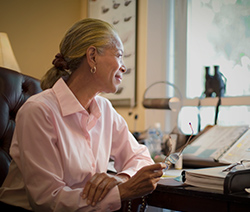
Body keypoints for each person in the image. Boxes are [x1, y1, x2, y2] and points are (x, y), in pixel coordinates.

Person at [0, 18, 166, 211]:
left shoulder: (104, 109)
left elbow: (141, 157)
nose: (124, 67)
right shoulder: (38, 110)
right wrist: (122, 192)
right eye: (119, 56)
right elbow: (46, 200)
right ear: (92, 57)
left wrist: (121, 179)